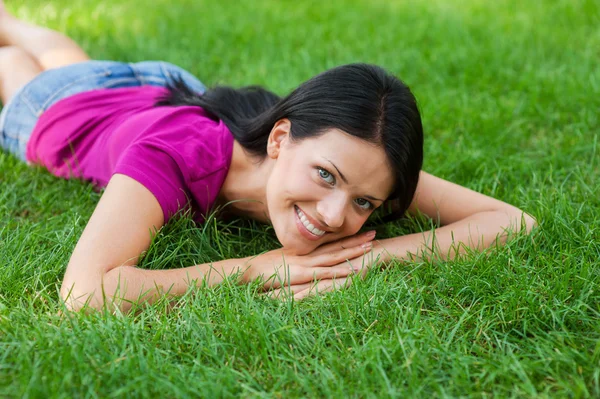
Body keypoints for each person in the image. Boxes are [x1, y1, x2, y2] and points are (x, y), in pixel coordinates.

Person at [0, 4, 536, 312]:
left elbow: (513, 222)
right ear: (280, 139)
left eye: (364, 202)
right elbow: (85, 293)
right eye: (326, 176)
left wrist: (369, 257)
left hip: (168, 88)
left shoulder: (356, 155)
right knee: (20, 63)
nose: (333, 216)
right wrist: (257, 268)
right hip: (63, 109)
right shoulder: (177, 155)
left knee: (66, 58)